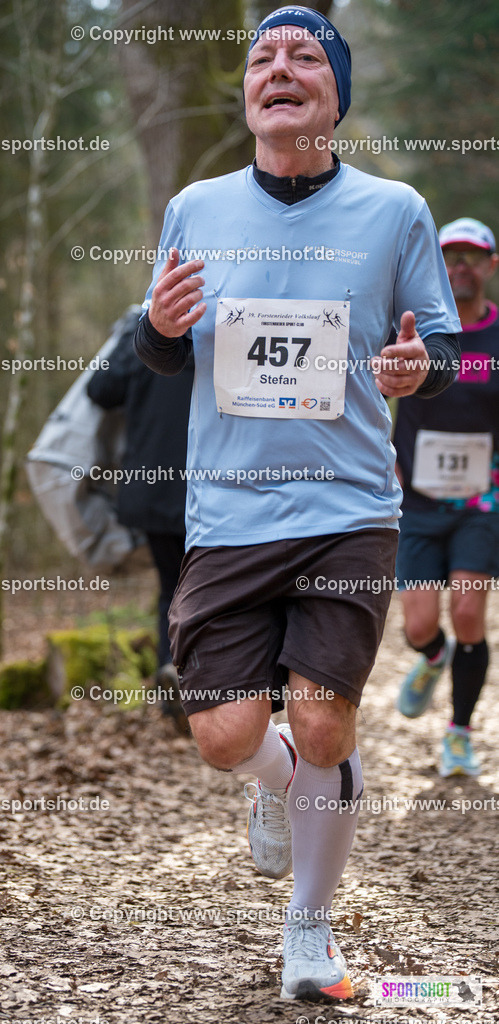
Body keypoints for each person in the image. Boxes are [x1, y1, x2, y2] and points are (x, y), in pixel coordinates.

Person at [134, 5, 460, 1003]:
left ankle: (308, 938)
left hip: (348, 504)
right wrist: (154, 322)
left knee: (323, 724)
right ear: (247, 94)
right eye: (260, 55)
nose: (277, 67)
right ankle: (282, 790)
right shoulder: (193, 206)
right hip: (229, 512)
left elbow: (439, 348)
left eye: (303, 56)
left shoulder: (393, 209)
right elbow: (159, 349)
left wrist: (418, 367)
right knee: (227, 737)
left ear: (333, 94)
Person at [393, 217, 499, 777]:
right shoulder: (416, 331)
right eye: (449, 256)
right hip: (418, 502)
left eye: (471, 257)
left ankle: (458, 733)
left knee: (467, 612)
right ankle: (435, 658)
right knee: (416, 625)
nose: (460, 266)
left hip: (481, 505)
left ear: (489, 266)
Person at [87, 308, 194, 732]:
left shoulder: (142, 331)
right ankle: (201, 683)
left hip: (152, 488)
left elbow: (100, 388)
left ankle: (172, 670)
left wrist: (129, 335)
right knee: (215, 587)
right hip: (216, 487)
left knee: (172, 588)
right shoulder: (228, 324)